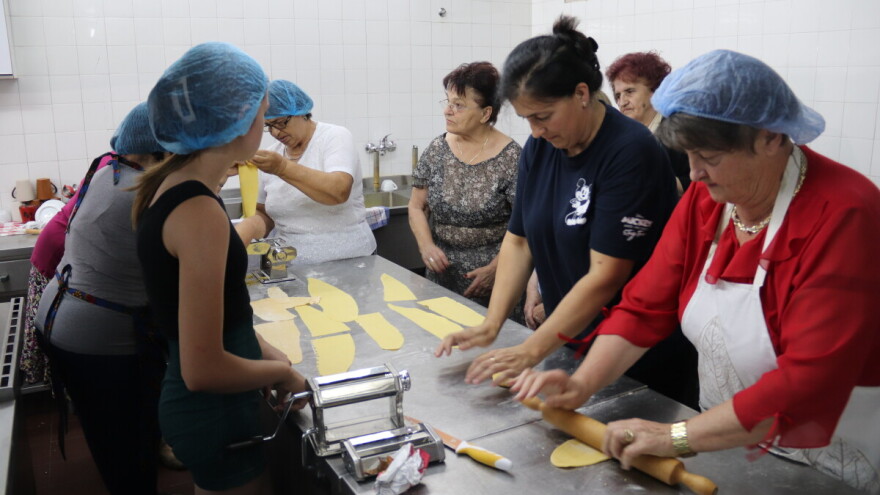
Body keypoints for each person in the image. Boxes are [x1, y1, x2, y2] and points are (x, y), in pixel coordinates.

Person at [513, 50, 880, 493]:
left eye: (708, 155)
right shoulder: (708, 200)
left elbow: (809, 379)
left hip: (826, 455)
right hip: (724, 438)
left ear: (770, 138)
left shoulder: (845, 213)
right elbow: (645, 306)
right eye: (687, 155)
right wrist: (583, 382)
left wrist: (676, 437)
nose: (694, 173)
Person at [435, 16, 698, 409]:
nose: (535, 131)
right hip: (569, 341)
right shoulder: (543, 148)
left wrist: (530, 351)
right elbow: (519, 240)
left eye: (542, 116)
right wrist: (492, 324)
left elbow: (605, 275)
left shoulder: (630, 151)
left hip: (638, 356)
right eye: (526, 120)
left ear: (581, 93)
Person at [133, 42, 308, 494]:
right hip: (211, 410)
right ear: (238, 123)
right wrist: (282, 372)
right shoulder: (198, 210)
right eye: (263, 116)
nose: (267, 130)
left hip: (206, 407)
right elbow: (204, 368)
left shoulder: (172, 185)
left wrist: (268, 354)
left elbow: (226, 318)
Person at [33, 102, 171, 495]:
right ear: (161, 150)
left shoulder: (109, 167)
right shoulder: (141, 194)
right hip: (95, 336)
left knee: (107, 429)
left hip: (63, 315)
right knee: (127, 443)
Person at [408, 62, 522, 316]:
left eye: (458, 105)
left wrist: (496, 269)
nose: (447, 111)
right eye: (447, 102)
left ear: (485, 113)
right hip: (441, 279)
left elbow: (525, 225)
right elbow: (416, 206)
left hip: (492, 282)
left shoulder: (513, 158)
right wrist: (426, 246)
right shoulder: (437, 149)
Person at [234, 80, 376, 264]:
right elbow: (265, 213)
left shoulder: (334, 137)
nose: (276, 133)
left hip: (350, 260)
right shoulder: (273, 154)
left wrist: (282, 168)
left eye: (280, 123)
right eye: (269, 126)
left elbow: (338, 191)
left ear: (301, 113)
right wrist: (245, 231)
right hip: (291, 264)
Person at [606, 51, 691, 192]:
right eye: (618, 95)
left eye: (630, 91)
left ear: (655, 89)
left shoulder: (680, 131)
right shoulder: (617, 137)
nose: (622, 102)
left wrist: (659, 181)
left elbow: (701, 185)